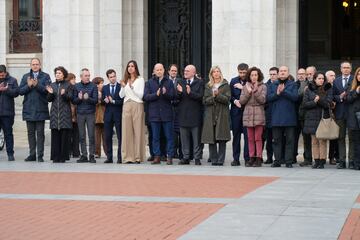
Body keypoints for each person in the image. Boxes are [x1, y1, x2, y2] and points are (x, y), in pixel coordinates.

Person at [19, 58, 51, 162]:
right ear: (30, 65)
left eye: (37, 64)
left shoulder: (45, 76)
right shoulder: (25, 77)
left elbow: (47, 91)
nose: (35, 66)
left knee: (40, 133)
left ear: (40, 65)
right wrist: (28, 86)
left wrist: (37, 85)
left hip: (40, 108)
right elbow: (20, 91)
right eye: (33, 64)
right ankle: (32, 154)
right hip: (29, 109)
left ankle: (40, 155)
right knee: (31, 133)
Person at [267, 66, 298, 168]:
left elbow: (295, 97)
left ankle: (288, 161)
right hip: (276, 117)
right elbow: (269, 98)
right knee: (276, 140)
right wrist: (277, 93)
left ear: (288, 73)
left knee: (290, 140)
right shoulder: (273, 85)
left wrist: (284, 91)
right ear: (278, 73)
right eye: (281, 71)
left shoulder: (293, 84)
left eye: (285, 71)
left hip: (289, 117)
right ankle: (277, 160)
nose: (282, 73)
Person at [144, 63, 175, 165]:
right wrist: (155, 95)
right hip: (154, 114)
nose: (159, 71)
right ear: (154, 71)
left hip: (166, 114)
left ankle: (169, 156)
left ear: (164, 70)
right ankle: (156, 156)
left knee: (169, 136)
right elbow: (146, 97)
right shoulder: (149, 82)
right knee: (155, 137)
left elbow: (173, 96)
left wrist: (166, 94)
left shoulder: (169, 82)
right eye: (157, 70)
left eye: (160, 69)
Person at [201, 66, 231, 166]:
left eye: (218, 71)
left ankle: (220, 160)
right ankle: (214, 159)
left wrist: (218, 95)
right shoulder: (208, 85)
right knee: (211, 138)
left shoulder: (225, 85)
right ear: (212, 74)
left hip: (222, 114)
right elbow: (205, 100)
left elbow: (227, 100)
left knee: (221, 138)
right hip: (210, 115)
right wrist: (213, 97)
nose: (216, 73)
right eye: (214, 72)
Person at [302, 72, 333, 169]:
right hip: (311, 118)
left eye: (323, 78)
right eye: (319, 78)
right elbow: (305, 104)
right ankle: (316, 160)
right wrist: (314, 102)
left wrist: (319, 100)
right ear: (314, 79)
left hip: (323, 118)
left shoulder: (328, 88)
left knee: (322, 140)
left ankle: (322, 161)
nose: (321, 80)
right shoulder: (309, 89)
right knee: (314, 141)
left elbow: (328, 104)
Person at [177, 65, 204, 165]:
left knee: (196, 138)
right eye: (184, 71)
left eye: (187, 71)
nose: (185, 72)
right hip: (183, 114)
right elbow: (176, 98)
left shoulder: (200, 82)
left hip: (195, 115)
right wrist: (179, 92)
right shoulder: (180, 82)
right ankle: (186, 157)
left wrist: (190, 92)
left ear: (193, 72)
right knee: (184, 138)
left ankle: (197, 157)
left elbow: (201, 97)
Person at [120, 60, 146, 164]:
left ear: (135, 68)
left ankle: (138, 156)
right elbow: (121, 95)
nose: (130, 68)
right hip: (126, 104)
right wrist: (123, 86)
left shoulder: (140, 79)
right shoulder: (125, 80)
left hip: (137, 104)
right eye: (129, 66)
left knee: (138, 131)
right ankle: (128, 157)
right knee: (126, 131)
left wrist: (131, 87)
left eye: (132, 66)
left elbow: (140, 95)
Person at [240, 67, 267, 167]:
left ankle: (259, 158)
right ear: (249, 76)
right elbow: (242, 101)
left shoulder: (263, 86)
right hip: (248, 114)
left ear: (259, 76)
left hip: (259, 113)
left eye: (256, 75)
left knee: (258, 138)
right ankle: (251, 158)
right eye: (252, 75)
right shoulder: (245, 86)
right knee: (250, 138)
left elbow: (263, 100)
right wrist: (248, 92)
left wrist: (255, 92)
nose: (254, 77)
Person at [46, 66, 73, 163]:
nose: (57, 75)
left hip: (65, 114)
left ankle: (63, 157)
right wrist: (50, 93)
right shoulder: (52, 85)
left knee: (64, 136)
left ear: (64, 75)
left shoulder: (68, 85)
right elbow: (49, 99)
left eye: (59, 73)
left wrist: (64, 94)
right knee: (55, 137)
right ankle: (55, 157)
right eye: (56, 73)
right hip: (54, 114)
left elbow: (71, 98)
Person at [73, 68, 98, 163]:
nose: (88, 77)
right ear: (81, 77)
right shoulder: (76, 86)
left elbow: (95, 100)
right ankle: (84, 155)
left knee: (91, 135)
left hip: (90, 113)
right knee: (82, 136)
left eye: (88, 75)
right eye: (86, 76)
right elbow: (74, 100)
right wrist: (79, 99)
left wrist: (88, 99)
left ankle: (92, 155)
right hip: (80, 114)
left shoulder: (93, 86)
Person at [333, 61, 354, 169]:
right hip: (340, 113)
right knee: (340, 137)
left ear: (351, 69)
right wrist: (340, 97)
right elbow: (333, 96)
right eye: (344, 67)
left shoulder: (354, 80)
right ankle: (341, 161)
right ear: (340, 69)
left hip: (351, 113)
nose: (346, 69)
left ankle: (351, 161)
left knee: (351, 138)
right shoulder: (336, 81)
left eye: (348, 67)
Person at [229, 63, 250, 166]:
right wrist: (234, 101)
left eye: (244, 72)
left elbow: (252, 94)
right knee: (236, 136)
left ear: (247, 71)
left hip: (247, 112)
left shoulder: (250, 81)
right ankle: (235, 159)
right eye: (240, 72)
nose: (242, 74)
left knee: (247, 136)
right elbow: (230, 95)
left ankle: (247, 159)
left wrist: (243, 88)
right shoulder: (233, 81)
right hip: (236, 112)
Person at [102, 69, 123, 164]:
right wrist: (105, 101)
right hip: (108, 115)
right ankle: (109, 157)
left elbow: (122, 101)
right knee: (107, 137)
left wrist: (113, 101)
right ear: (108, 78)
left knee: (120, 137)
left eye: (114, 76)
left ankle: (120, 157)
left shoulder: (120, 87)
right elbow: (102, 101)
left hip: (118, 115)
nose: (113, 78)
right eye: (111, 77)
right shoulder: (105, 88)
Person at [0, 65, 19, 161]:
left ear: (5, 73)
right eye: (0, 75)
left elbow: (16, 93)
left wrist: (7, 90)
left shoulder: (12, 80)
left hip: (8, 113)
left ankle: (10, 154)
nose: (1, 77)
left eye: (2, 75)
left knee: (8, 134)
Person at [298, 67, 313, 166]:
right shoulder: (304, 84)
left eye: (310, 74)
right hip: (304, 115)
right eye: (307, 74)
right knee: (306, 138)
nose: (308, 76)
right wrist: (304, 90)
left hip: (315, 114)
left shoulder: (319, 83)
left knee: (316, 139)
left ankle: (319, 158)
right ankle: (307, 158)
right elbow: (299, 95)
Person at [263, 67, 278, 164]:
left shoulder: (280, 85)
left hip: (277, 115)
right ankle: (269, 157)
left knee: (277, 139)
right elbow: (265, 99)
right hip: (267, 114)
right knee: (268, 139)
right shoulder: (265, 85)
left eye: (274, 74)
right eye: (271, 74)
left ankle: (278, 158)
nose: (272, 76)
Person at [168, 64, 183, 160]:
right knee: (170, 131)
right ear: (168, 71)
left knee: (178, 131)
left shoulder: (180, 81)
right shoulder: (165, 81)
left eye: (175, 71)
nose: (174, 72)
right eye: (172, 71)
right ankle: (171, 151)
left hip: (178, 108)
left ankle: (179, 152)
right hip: (168, 109)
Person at [347, 67, 360, 170]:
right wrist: (357, 92)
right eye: (358, 74)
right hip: (355, 118)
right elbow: (348, 99)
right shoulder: (352, 86)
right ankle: (357, 163)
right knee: (356, 142)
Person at [325, 70, 339, 165]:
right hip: (326, 114)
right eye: (331, 75)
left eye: (334, 75)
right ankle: (321, 157)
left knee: (335, 137)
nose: (333, 77)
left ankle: (333, 157)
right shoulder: (325, 86)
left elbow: (338, 96)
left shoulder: (337, 86)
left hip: (336, 114)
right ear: (326, 77)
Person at [66, 73, 80, 158]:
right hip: (69, 114)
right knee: (69, 134)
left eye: (74, 78)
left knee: (76, 134)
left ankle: (75, 151)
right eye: (73, 78)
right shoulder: (68, 88)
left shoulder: (76, 88)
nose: (74, 80)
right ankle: (70, 151)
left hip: (76, 114)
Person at [93, 77, 107, 158]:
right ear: (97, 85)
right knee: (96, 136)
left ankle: (107, 152)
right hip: (96, 116)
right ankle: (97, 152)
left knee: (105, 136)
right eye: (101, 83)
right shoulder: (94, 92)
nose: (102, 84)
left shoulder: (104, 92)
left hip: (104, 116)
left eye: (102, 83)